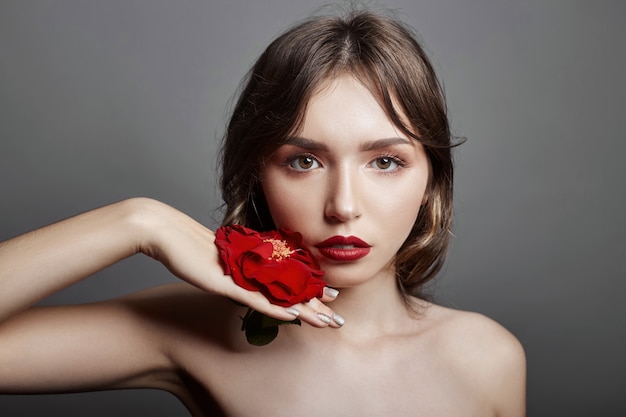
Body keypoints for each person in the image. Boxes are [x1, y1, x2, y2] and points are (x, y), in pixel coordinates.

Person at [0, 7, 526, 417]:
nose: (343, 206)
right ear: (257, 174)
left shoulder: (488, 356)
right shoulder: (192, 327)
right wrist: (138, 222)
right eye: (304, 160)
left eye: (385, 161)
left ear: (430, 177)